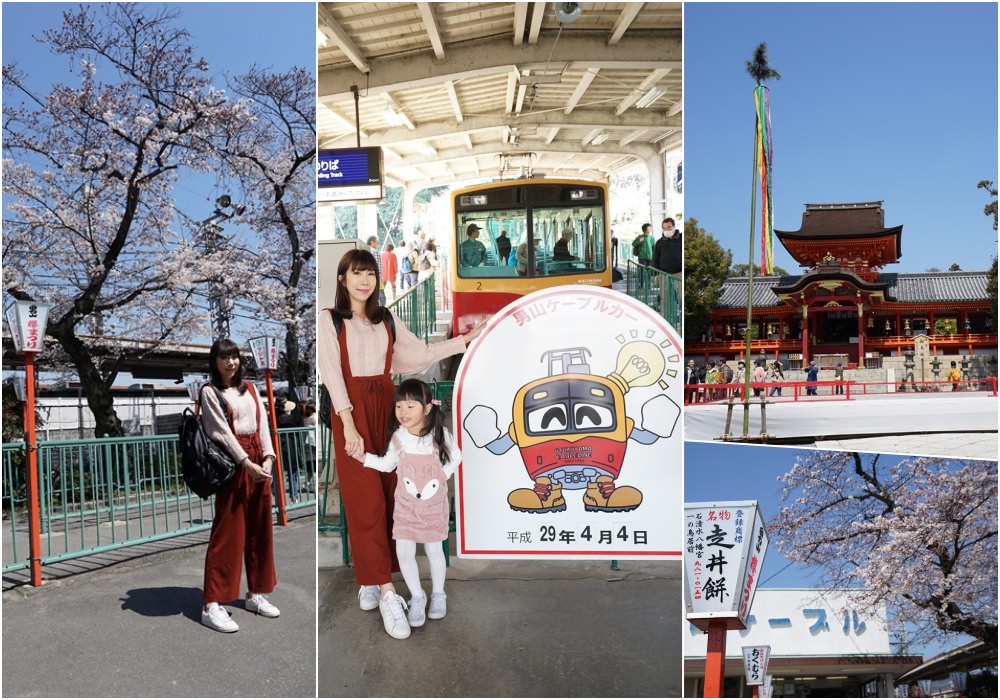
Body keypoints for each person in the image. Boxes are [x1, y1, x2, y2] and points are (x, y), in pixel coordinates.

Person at [317, 249, 485, 640]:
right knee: (365, 502)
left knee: (393, 496)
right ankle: (388, 592)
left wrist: (463, 340)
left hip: (388, 410)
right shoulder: (330, 320)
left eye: (370, 274)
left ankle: (375, 578)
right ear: (342, 279)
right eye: (356, 274)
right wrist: (348, 424)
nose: (364, 281)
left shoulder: (386, 319)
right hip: (352, 413)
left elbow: (419, 354)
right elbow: (331, 372)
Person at [362, 378, 461, 634]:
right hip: (405, 508)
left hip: (432, 507)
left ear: (427, 408)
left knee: (433, 551)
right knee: (404, 553)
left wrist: (442, 475)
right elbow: (386, 465)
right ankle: (417, 597)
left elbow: (456, 456)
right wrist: (362, 458)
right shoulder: (398, 437)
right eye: (399, 407)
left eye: (410, 406)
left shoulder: (439, 435)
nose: (403, 412)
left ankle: (438, 594)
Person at [200, 338, 279, 633]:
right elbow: (220, 432)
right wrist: (245, 462)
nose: (230, 363)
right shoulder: (209, 392)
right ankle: (211, 603)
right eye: (224, 358)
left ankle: (255, 593)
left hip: (259, 457)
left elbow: (263, 425)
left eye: (233, 357)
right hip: (234, 464)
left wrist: (269, 457)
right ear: (215, 362)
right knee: (228, 533)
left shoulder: (252, 389)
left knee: (261, 530)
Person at [367, 235, 386, 306]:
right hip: (376, 278)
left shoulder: (365, 251)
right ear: (372, 242)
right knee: (382, 298)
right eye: (376, 242)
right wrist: (380, 279)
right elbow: (378, 267)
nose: (377, 244)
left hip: (368, 279)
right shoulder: (375, 252)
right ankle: (381, 314)